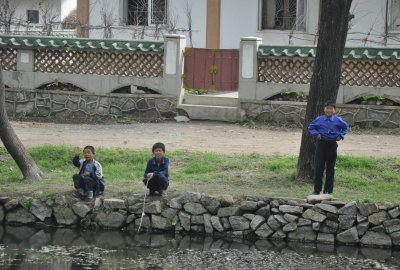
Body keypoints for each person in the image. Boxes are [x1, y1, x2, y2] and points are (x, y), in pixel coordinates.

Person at [308, 101, 349, 195]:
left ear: (334, 110)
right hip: (321, 144)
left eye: (331, 108)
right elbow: (311, 127)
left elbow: (346, 127)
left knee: (330, 168)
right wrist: (316, 134)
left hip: (332, 145)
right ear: (324, 109)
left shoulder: (338, 120)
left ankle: (328, 191)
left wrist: (340, 135)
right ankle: (316, 190)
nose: (329, 110)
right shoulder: (319, 119)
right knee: (319, 167)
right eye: (327, 108)